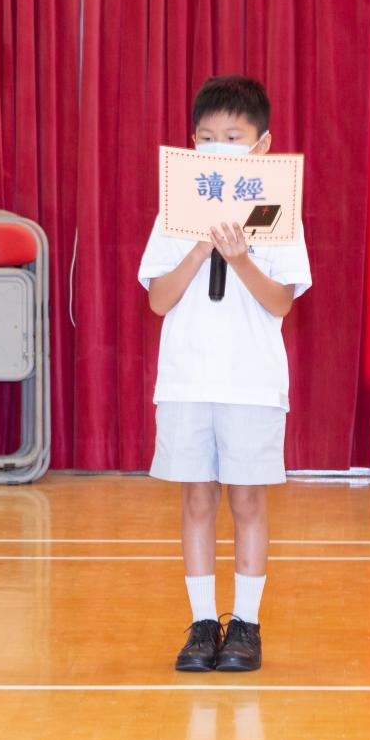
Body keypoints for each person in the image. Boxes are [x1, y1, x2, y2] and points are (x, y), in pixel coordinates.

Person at [138, 75, 312, 672]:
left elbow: (281, 302)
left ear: (262, 145)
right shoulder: (174, 212)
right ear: (193, 144)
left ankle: (246, 625)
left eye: (234, 137)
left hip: (251, 380)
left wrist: (240, 258)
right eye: (208, 137)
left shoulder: (277, 210)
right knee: (196, 498)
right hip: (188, 377)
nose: (220, 146)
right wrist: (197, 248)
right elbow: (159, 299)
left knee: (247, 499)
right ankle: (201, 623)